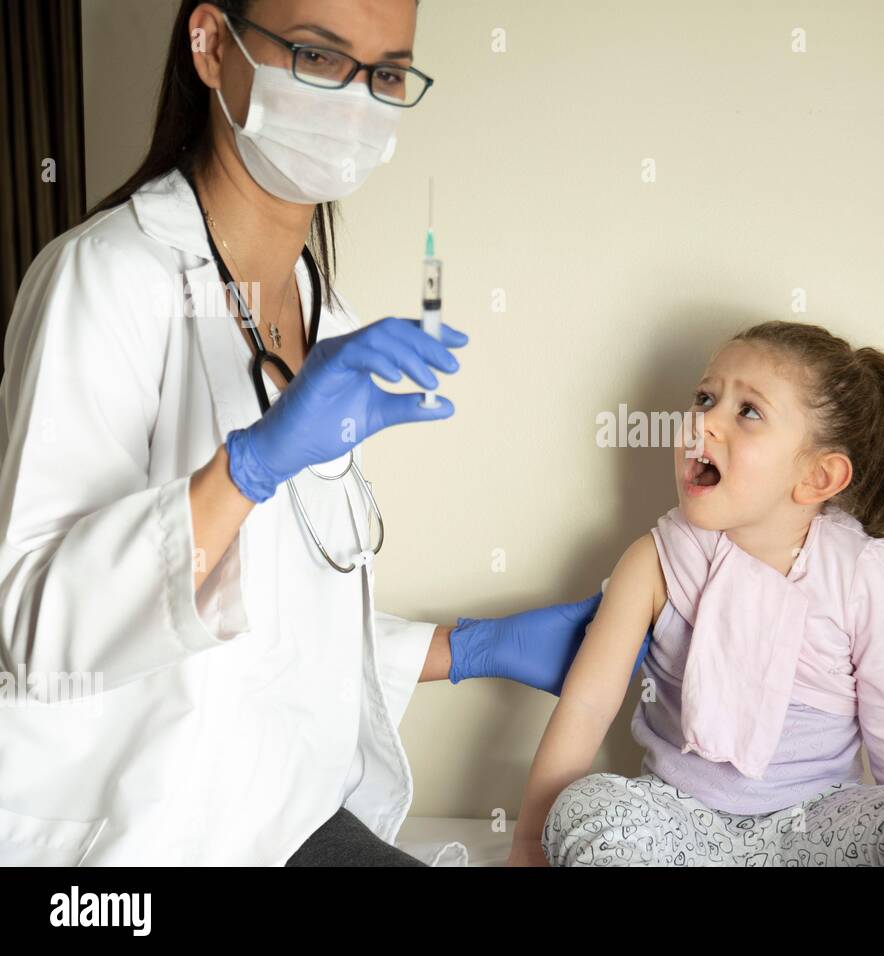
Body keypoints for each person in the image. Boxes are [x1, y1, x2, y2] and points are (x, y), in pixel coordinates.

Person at [0, 0, 643, 866]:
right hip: (145, 835)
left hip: (285, 810)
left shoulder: (322, 314)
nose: (353, 102)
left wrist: (469, 650)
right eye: (316, 55)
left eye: (384, 74)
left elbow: (272, 640)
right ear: (212, 45)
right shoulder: (109, 279)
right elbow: (38, 631)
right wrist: (251, 468)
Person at [507, 321, 884, 866]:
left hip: (818, 827)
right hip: (681, 825)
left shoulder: (862, 572)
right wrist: (527, 843)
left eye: (748, 411)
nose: (703, 421)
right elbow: (588, 706)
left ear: (817, 478)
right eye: (705, 398)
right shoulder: (655, 560)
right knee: (584, 807)